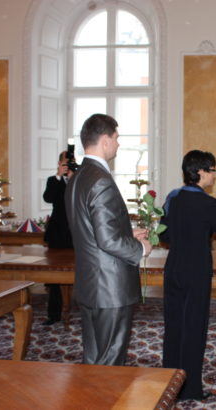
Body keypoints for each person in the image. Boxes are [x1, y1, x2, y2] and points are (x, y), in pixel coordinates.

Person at [65, 113, 151, 365]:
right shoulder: (100, 179)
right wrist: (140, 248)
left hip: (90, 283)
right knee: (110, 362)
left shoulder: (78, 177)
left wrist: (126, 231)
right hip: (110, 288)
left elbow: (89, 230)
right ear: (104, 140)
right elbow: (108, 241)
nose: (118, 144)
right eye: (116, 138)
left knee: (94, 360)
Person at [160, 150, 216, 401]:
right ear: (199, 172)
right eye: (212, 170)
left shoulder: (172, 197)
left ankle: (168, 385)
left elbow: (164, 236)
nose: (214, 175)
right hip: (196, 271)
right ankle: (190, 389)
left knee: (174, 327)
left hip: (173, 268)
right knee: (194, 328)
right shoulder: (208, 204)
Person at [42, 151, 73, 326]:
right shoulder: (53, 180)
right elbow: (48, 198)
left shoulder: (79, 179)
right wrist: (59, 176)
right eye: (65, 162)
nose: (68, 165)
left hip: (75, 234)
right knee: (53, 275)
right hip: (57, 233)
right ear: (59, 163)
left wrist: (74, 177)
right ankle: (53, 315)